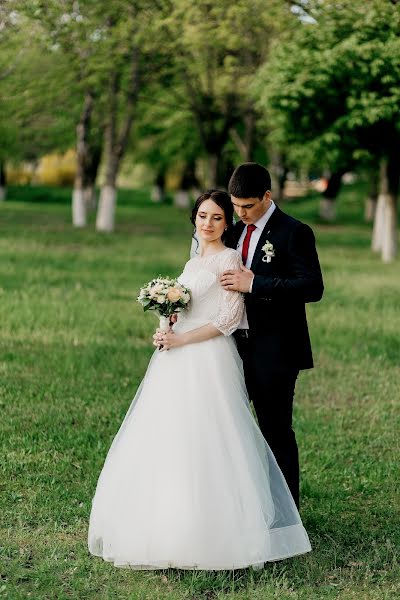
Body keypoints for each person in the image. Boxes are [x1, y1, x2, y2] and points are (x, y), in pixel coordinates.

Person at [88, 190, 311, 571]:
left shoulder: (229, 258)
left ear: (228, 224)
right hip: (175, 357)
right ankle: (166, 522)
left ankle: (220, 526)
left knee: (211, 435)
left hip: (208, 357)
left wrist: (182, 339)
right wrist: (166, 323)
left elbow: (227, 318)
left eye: (217, 218)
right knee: (170, 435)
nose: (207, 224)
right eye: (203, 216)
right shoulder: (194, 259)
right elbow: (185, 304)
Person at [220, 163, 324, 509]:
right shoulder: (234, 233)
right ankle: (239, 507)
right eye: (236, 206)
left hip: (275, 350)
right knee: (228, 429)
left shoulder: (294, 232)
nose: (240, 213)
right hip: (232, 347)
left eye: (247, 206)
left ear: (267, 196)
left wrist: (256, 284)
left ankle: (285, 513)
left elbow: (312, 287)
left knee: (275, 431)